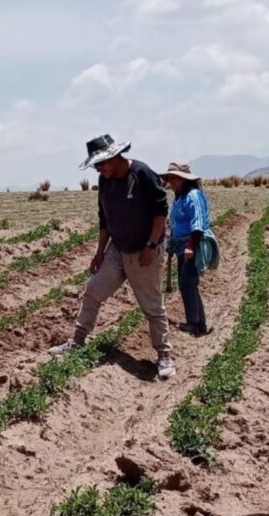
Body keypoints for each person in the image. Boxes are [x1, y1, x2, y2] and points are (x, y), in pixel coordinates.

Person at [49, 134, 176, 379]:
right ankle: (77, 341)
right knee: (93, 291)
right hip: (117, 250)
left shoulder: (142, 174)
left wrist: (151, 246)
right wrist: (99, 253)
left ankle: (164, 355)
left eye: (101, 164)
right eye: (96, 166)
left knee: (152, 306)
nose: (99, 169)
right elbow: (104, 219)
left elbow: (161, 211)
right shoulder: (105, 182)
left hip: (143, 251)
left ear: (115, 157)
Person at [163, 162, 218, 337]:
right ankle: (199, 323)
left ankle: (194, 324)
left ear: (183, 179)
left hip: (193, 246)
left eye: (174, 178)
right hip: (181, 246)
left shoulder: (193, 195)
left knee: (187, 283)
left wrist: (190, 247)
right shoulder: (179, 197)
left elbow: (198, 224)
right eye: (169, 178)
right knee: (188, 284)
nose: (170, 182)